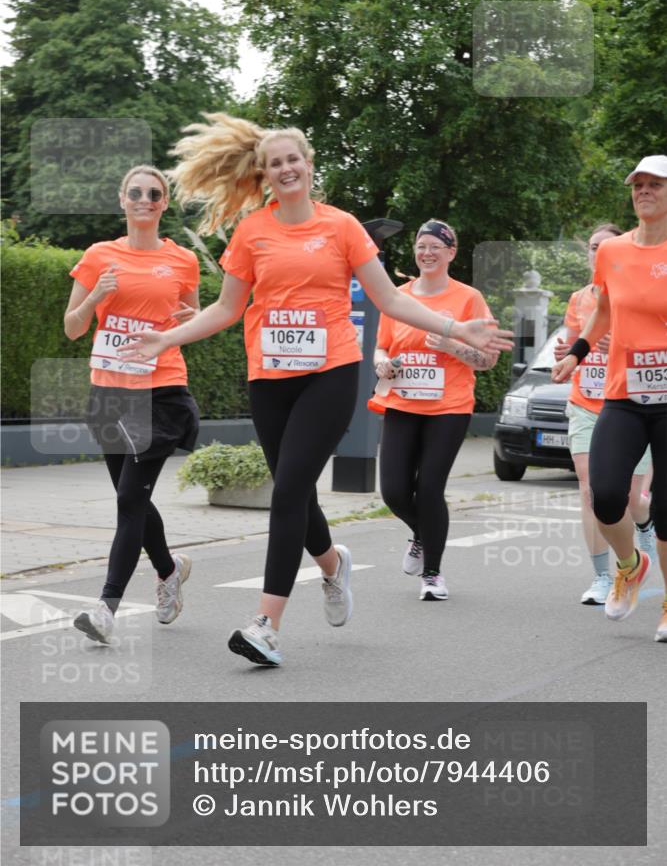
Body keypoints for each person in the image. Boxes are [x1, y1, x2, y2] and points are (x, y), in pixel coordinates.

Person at [119, 114, 514, 666]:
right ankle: (332, 566)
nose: (285, 169)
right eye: (274, 163)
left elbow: (391, 300)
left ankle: (267, 625)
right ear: (263, 174)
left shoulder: (342, 227)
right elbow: (227, 308)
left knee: (286, 494)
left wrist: (454, 327)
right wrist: (166, 338)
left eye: (293, 159)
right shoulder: (253, 231)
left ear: (308, 165)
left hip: (329, 373)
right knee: (296, 492)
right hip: (269, 379)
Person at [64, 166, 200, 644]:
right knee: (134, 498)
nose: (145, 199)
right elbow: (73, 327)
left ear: (164, 203)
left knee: (128, 499)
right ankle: (169, 570)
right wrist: (96, 297)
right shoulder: (99, 256)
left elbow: (192, 318)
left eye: (155, 194)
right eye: (136, 193)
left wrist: (190, 319)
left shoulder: (183, 260)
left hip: (160, 390)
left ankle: (106, 607)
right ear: (122, 199)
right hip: (109, 391)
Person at [553, 155, 667, 642]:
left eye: (655, 185)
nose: (644, 191)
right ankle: (630, 565)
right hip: (623, 395)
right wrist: (576, 353)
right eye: (637, 185)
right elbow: (600, 309)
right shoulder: (613, 251)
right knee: (604, 496)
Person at [369, 220, 498, 601]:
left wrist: (451, 346)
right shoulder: (398, 296)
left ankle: (433, 575)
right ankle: (423, 535)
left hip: (449, 407)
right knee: (393, 491)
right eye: (421, 246)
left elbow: (487, 360)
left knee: (428, 489)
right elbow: (381, 347)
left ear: (451, 253)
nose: (427, 253)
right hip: (402, 402)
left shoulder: (468, 299)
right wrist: (382, 363)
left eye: (435, 247)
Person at [554, 223, 655, 605]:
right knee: (590, 489)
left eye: (605, 246)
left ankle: (644, 524)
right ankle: (602, 577)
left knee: (631, 497)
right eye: (593, 246)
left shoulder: (637, 290)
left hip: (630, 403)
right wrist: (566, 354)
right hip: (585, 402)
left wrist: (621, 343)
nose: (598, 252)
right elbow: (569, 344)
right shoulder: (579, 298)